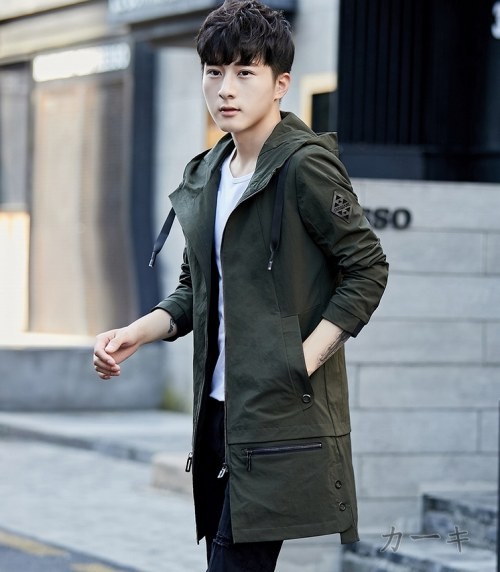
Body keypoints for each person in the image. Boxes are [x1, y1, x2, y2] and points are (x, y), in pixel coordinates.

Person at [93, 1, 389, 570]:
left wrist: (301, 361)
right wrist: (135, 333)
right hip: (217, 414)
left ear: (280, 84)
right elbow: (194, 289)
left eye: (245, 72)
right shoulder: (209, 171)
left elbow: (368, 268)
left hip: (276, 414)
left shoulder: (304, 166)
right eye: (214, 71)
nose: (225, 88)